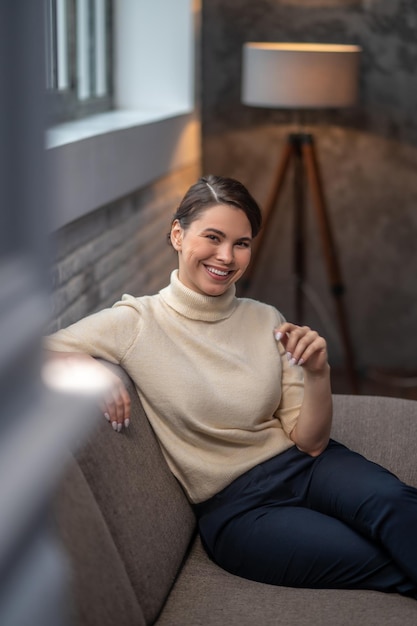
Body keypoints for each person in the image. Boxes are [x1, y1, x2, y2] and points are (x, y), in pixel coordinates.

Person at [45, 174, 417, 598]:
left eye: (241, 243)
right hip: (240, 509)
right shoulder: (135, 323)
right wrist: (87, 368)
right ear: (177, 234)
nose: (227, 256)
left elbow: (311, 444)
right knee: (376, 557)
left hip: (308, 466)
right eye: (213, 237)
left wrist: (318, 373)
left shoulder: (266, 319)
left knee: (398, 507)